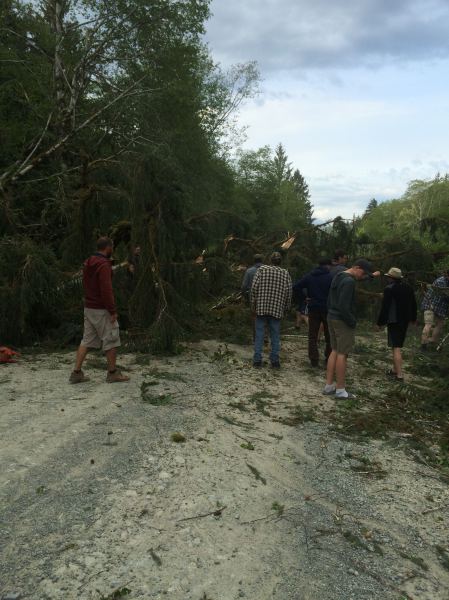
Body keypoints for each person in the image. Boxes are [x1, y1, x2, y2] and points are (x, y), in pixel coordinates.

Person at [70, 237, 130, 384]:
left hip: (89, 307)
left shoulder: (89, 262)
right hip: (101, 309)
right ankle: (112, 373)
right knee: (111, 338)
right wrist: (112, 310)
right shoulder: (103, 265)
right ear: (108, 247)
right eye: (112, 247)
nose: (113, 250)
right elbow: (106, 290)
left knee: (87, 340)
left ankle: (76, 373)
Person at [323, 258, 375, 399]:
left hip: (331, 316)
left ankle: (329, 386)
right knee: (342, 353)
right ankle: (340, 390)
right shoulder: (349, 282)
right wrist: (352, 321)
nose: (362, 276)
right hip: (342, 320)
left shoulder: (338, 276)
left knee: (334, 350)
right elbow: (344, 306)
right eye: (363, 272)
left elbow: (329, 299)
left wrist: (371, 276)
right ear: (356, 267)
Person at [250, 252, 292, 368]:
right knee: (275, 335)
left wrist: (253, 304)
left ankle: (257, 360)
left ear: (270, 260)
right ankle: (275, 361)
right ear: (280, 261)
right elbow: (289, 293)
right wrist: (286, 308)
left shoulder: (262, 270)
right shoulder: (285, 273)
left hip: (261, 307)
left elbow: (254, 288)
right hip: (277, 309)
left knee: (259, 334)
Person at [377, 267, 417, 381]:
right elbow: (414, 304)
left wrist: (380, 322)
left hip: (394, 320)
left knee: (396, 347)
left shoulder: (389, 289)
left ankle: (399, 375)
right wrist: (413, 318)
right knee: (397, 345)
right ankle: (395, 369)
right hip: (405, 320)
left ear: (391, 278)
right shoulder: (408, 288)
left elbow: (385, 307)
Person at [293, 257, 332, 367]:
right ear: (327, 266)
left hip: (313, 308)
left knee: (312, 336)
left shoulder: (309, 276)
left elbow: (296, 287)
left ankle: (314, 360)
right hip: (327, 309)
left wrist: (305, 297)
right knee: (329, 336)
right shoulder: (331, 277)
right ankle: (328, 359)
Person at [420, 269, 449, 350]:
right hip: (430, 305)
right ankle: (423, 346)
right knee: (428, 324)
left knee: (440, 324)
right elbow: (447, 295)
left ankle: (433, 341)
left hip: (441, 308)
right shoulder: (441, 281)